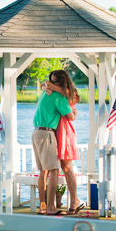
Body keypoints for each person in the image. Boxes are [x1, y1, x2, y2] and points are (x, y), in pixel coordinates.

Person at [32, 70, 73, 215]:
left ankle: (43, 206)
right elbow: (70, 116)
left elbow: (45, 85)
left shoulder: (45, 92)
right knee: (54, 170)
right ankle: (50, 207)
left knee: (43, 172)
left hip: (36, 132)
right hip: (47, 133)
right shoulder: (58, 97)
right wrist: (75, 113)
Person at [44, 70, 84, 214]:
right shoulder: (61, 92)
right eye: (52, 81)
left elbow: (46, 84)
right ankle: (72, 200)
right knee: (61, 166)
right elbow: (45, 85)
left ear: (62, 81)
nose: (53, 83)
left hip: (65, 131)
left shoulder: (66, 91)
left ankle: (75, 200)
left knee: (67, 167)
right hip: (57, 129)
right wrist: (46, 88)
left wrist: (47, 86)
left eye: (56, 81)